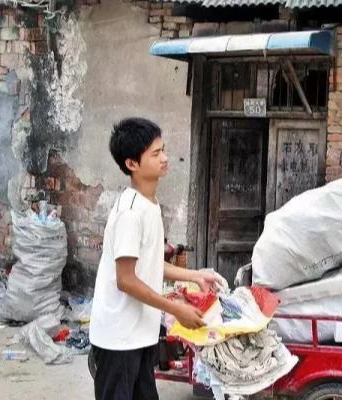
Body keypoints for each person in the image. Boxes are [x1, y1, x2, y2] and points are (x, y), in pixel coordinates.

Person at [89, 118, 220, 400]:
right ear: (131, 164)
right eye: (156, 153)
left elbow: (150, 263)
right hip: (118, 338)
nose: (165, 158)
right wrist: (175, 310)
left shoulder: (150, 203)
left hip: (140, 334)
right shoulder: (130, 212)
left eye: (163, 150)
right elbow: (126, 280)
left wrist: (195, 275)